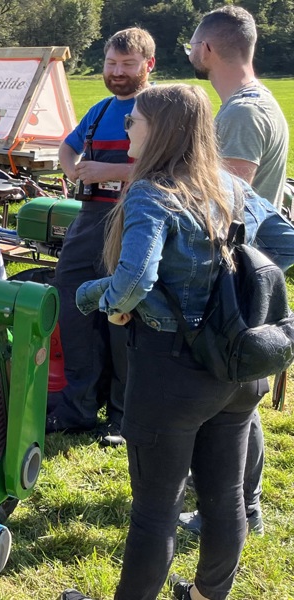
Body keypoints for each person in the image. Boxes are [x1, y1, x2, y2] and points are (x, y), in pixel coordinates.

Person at [61, 84, 294, 600]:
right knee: (226, 495)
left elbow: (131, 283)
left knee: (154, 511)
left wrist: (88, 296)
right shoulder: (230, 189)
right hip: (239, 367)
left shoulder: (151, 193)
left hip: (173, 374)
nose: (126, 128)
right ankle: (210, 594)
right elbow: (285, 244)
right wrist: (230, 294)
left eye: (134, 121)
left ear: (160, 131)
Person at [180, 4, 290, 538]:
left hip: (232, 274)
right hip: (246, 270)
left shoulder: (241, 115)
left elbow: (226, 201)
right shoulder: (261, 102)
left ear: (207, 50)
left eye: (192, 47)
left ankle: (235, 508)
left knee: (231, 398)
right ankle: (245, 505)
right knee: (241, 393)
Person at [48, 28, 156, 447]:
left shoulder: (159, 109)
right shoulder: (100, 109)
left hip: (136, 221)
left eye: (127, 65)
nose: (117, 72)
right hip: (91, 220)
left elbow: (174, 168)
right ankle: (76, 407)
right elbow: (68, 146)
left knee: (122, 316)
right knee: (73, 306)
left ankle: (123, 417)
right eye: (112, 64)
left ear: (148, 65)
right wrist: (73, 166)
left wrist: (110, 172)